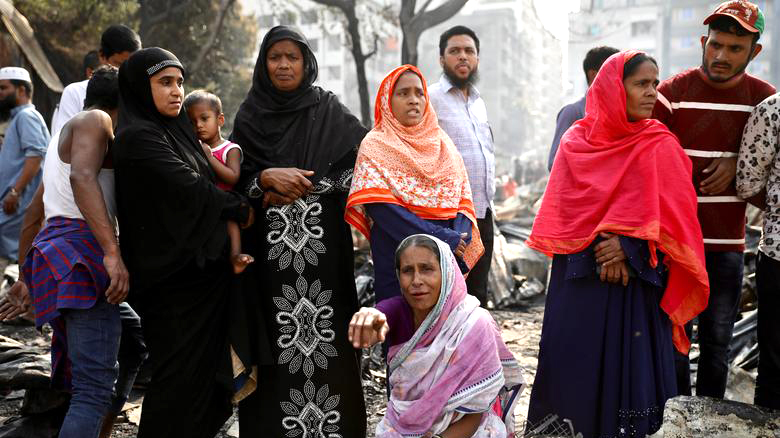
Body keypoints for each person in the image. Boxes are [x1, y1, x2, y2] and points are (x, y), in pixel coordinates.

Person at [526, 51, 709, 438]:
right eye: (641, 84)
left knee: (632, 376)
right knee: (575, 370)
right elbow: (564, 212)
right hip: (581, 285)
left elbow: (678, 219)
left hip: (637, 289)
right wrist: (604, 248)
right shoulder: (576, 142)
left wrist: (629, 248)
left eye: (655, 84)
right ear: (613, 88)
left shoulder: (661, 145)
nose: (652, 93)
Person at [229, 25, 369, 437]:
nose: (285, 64)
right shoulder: (250, 115)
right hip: (270, 266)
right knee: (276, 349)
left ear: (307, 62)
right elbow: (234, 181)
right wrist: (265, 179)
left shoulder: (328, 110)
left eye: (293, 56)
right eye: (276, 57)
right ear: (264, 63)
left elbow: (361, 165)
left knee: (331, 349)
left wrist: (304, 187)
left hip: (326, 259)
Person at [0, 65, 148, 438]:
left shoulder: (63, 143)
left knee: (133, 341)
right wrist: (112, 253)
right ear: (128, 98)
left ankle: (102, 430)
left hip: (59, 253)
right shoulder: (95, 120)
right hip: (82, 257)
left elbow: (35, 215)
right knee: (92, 390)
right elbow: (82, 178)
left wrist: (27, 275)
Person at [112, 47, 252, 438]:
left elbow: (209, 179)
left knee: (208, 381)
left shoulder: (176, 133)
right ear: (142, 87)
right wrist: (239, 208)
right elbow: (190, 187)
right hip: (170, 285)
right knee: (177, 381)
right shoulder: (138, 136)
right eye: (164, 83)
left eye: (179, 82)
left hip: (200, 278)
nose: (177, 91)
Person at [652, 0, 776, 399]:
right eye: (716, 45)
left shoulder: (764, 101)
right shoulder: (672, 93)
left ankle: (709, 420)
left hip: (727, 245)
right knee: (673, 339)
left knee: (718, 343)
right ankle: (672, 418)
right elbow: (645, 161)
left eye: (735, 49)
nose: (721, 56)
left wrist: (740, 159)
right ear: (703, 42)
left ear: (754, 52)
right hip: (675, 244)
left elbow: (764, 174)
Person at [348, 234, 524, 437]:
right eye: (407, 271)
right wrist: (370, 314)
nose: (416, 281)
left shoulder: (474, 323)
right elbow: (383, 312)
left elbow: (475, 411)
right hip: (401, 429)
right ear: (398, 276)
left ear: (447, 272)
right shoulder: (402, 311)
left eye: (427, 269)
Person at [347, 64, 484, 304]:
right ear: (388, 100)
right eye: (403, 93)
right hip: (398, 255)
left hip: (446, 257)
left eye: (419, 93)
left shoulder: (443, 143)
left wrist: (459, 239)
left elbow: (462, 199)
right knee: (402, 330)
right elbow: (382, 209)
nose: (413, 100)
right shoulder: (375, 145)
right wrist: (439, 238)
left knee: (445, 331)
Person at [428, 26, 493, 307]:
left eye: (469, 51)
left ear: (477, 58)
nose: (462, 57)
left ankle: (473, 352)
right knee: (448, 298)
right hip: (449, 218)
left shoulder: (479, 103)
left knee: (477, 298)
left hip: (483, 213)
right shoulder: (429, 99)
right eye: (454, 51)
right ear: (442, 59)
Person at [736, 93, 780, 410]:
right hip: (778, 257)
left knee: (775, 369)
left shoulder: (772, 110)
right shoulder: (772, 110)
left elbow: (748, 184)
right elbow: (748, 185)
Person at [184, 90, 253, 274]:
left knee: (232, 224)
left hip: (225, 199)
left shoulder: (229, 149)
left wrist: (209, 157)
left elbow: (232, 176)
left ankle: (235, 256)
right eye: (192, 122)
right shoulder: (193, 149)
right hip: (204, 204)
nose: (198, 126)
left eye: (204, 119)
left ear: (220, 120)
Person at [0, 67, 49, 279]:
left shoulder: (27, 116)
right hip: (13, 204)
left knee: (16, 261)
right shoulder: (17, 119)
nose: (0, 93)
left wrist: (15, 192)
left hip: (18, 204)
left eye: (3, 88)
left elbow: (35, 158)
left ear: (21, 90)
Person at [51, 24, 141, 138]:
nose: (127, 72)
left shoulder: (140, 95)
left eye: (133, 65)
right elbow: (63, 141)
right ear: (102, 56)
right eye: (120, 65)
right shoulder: (75, 93)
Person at [548, 46, 619, 171]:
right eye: (614, 70)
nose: (620, 77)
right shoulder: (572, 112)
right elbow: (555, 163)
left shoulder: (623, 112)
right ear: (594, 74)